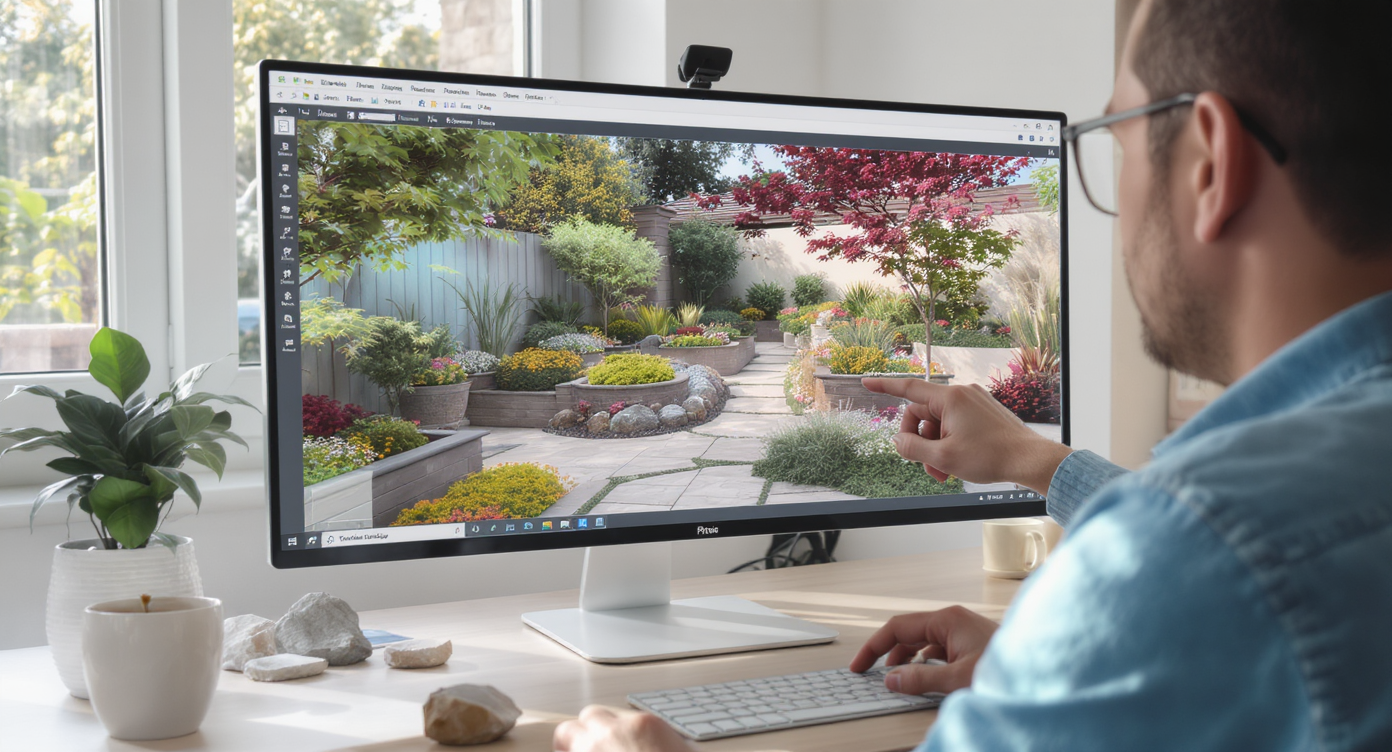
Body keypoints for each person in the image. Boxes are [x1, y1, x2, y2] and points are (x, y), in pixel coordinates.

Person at [555, 0, 1392, 749]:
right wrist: (1043, 474)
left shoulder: (1194, 553)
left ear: (1209, 162)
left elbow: (1210, 558)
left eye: (1116, 139)